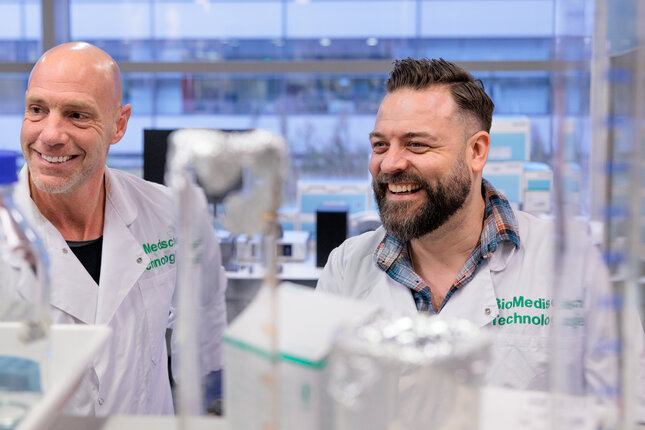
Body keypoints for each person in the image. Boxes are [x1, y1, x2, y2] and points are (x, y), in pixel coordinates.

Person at [317, 58, 645, 408]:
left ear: (476, 151)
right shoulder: (347, 266)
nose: (390, 163)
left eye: (416, 145)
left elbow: (629, 412)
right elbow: (313, 404)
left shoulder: (571, 263)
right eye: (380, 145)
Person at [14, 42, 227, 415]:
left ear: (119, 124)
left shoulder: (171, 212)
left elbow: (205, 310)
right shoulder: (7, 232)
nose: (50, 134)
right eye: (37, 109)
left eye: (77, 115)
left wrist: (207, 406)